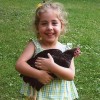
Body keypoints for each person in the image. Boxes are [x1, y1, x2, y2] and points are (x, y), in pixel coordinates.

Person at [15, 1, 79, 100]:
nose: (49, 27)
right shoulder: (34, 45)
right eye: (44, 23)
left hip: (60, 96)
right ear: (37, 27)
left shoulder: (66, 50)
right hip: (37, 95)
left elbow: (70, 75)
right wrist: (38, 74)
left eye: (54, 23)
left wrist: (52, 67)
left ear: (61, 26)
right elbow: (19, 65)